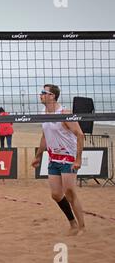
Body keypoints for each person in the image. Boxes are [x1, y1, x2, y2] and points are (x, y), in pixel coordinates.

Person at [31, 84, 85, 235]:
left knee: (70, 193)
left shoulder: (64, 113)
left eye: (43, 92)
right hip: (53, 158)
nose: (40, 95)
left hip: (68, 157)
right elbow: (45, 136)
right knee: (55, 194)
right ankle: (72, 223)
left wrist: (78, 159)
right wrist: (38, 156)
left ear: (52, 96)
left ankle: (81, 227)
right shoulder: (43, 113)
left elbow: (80, 135)